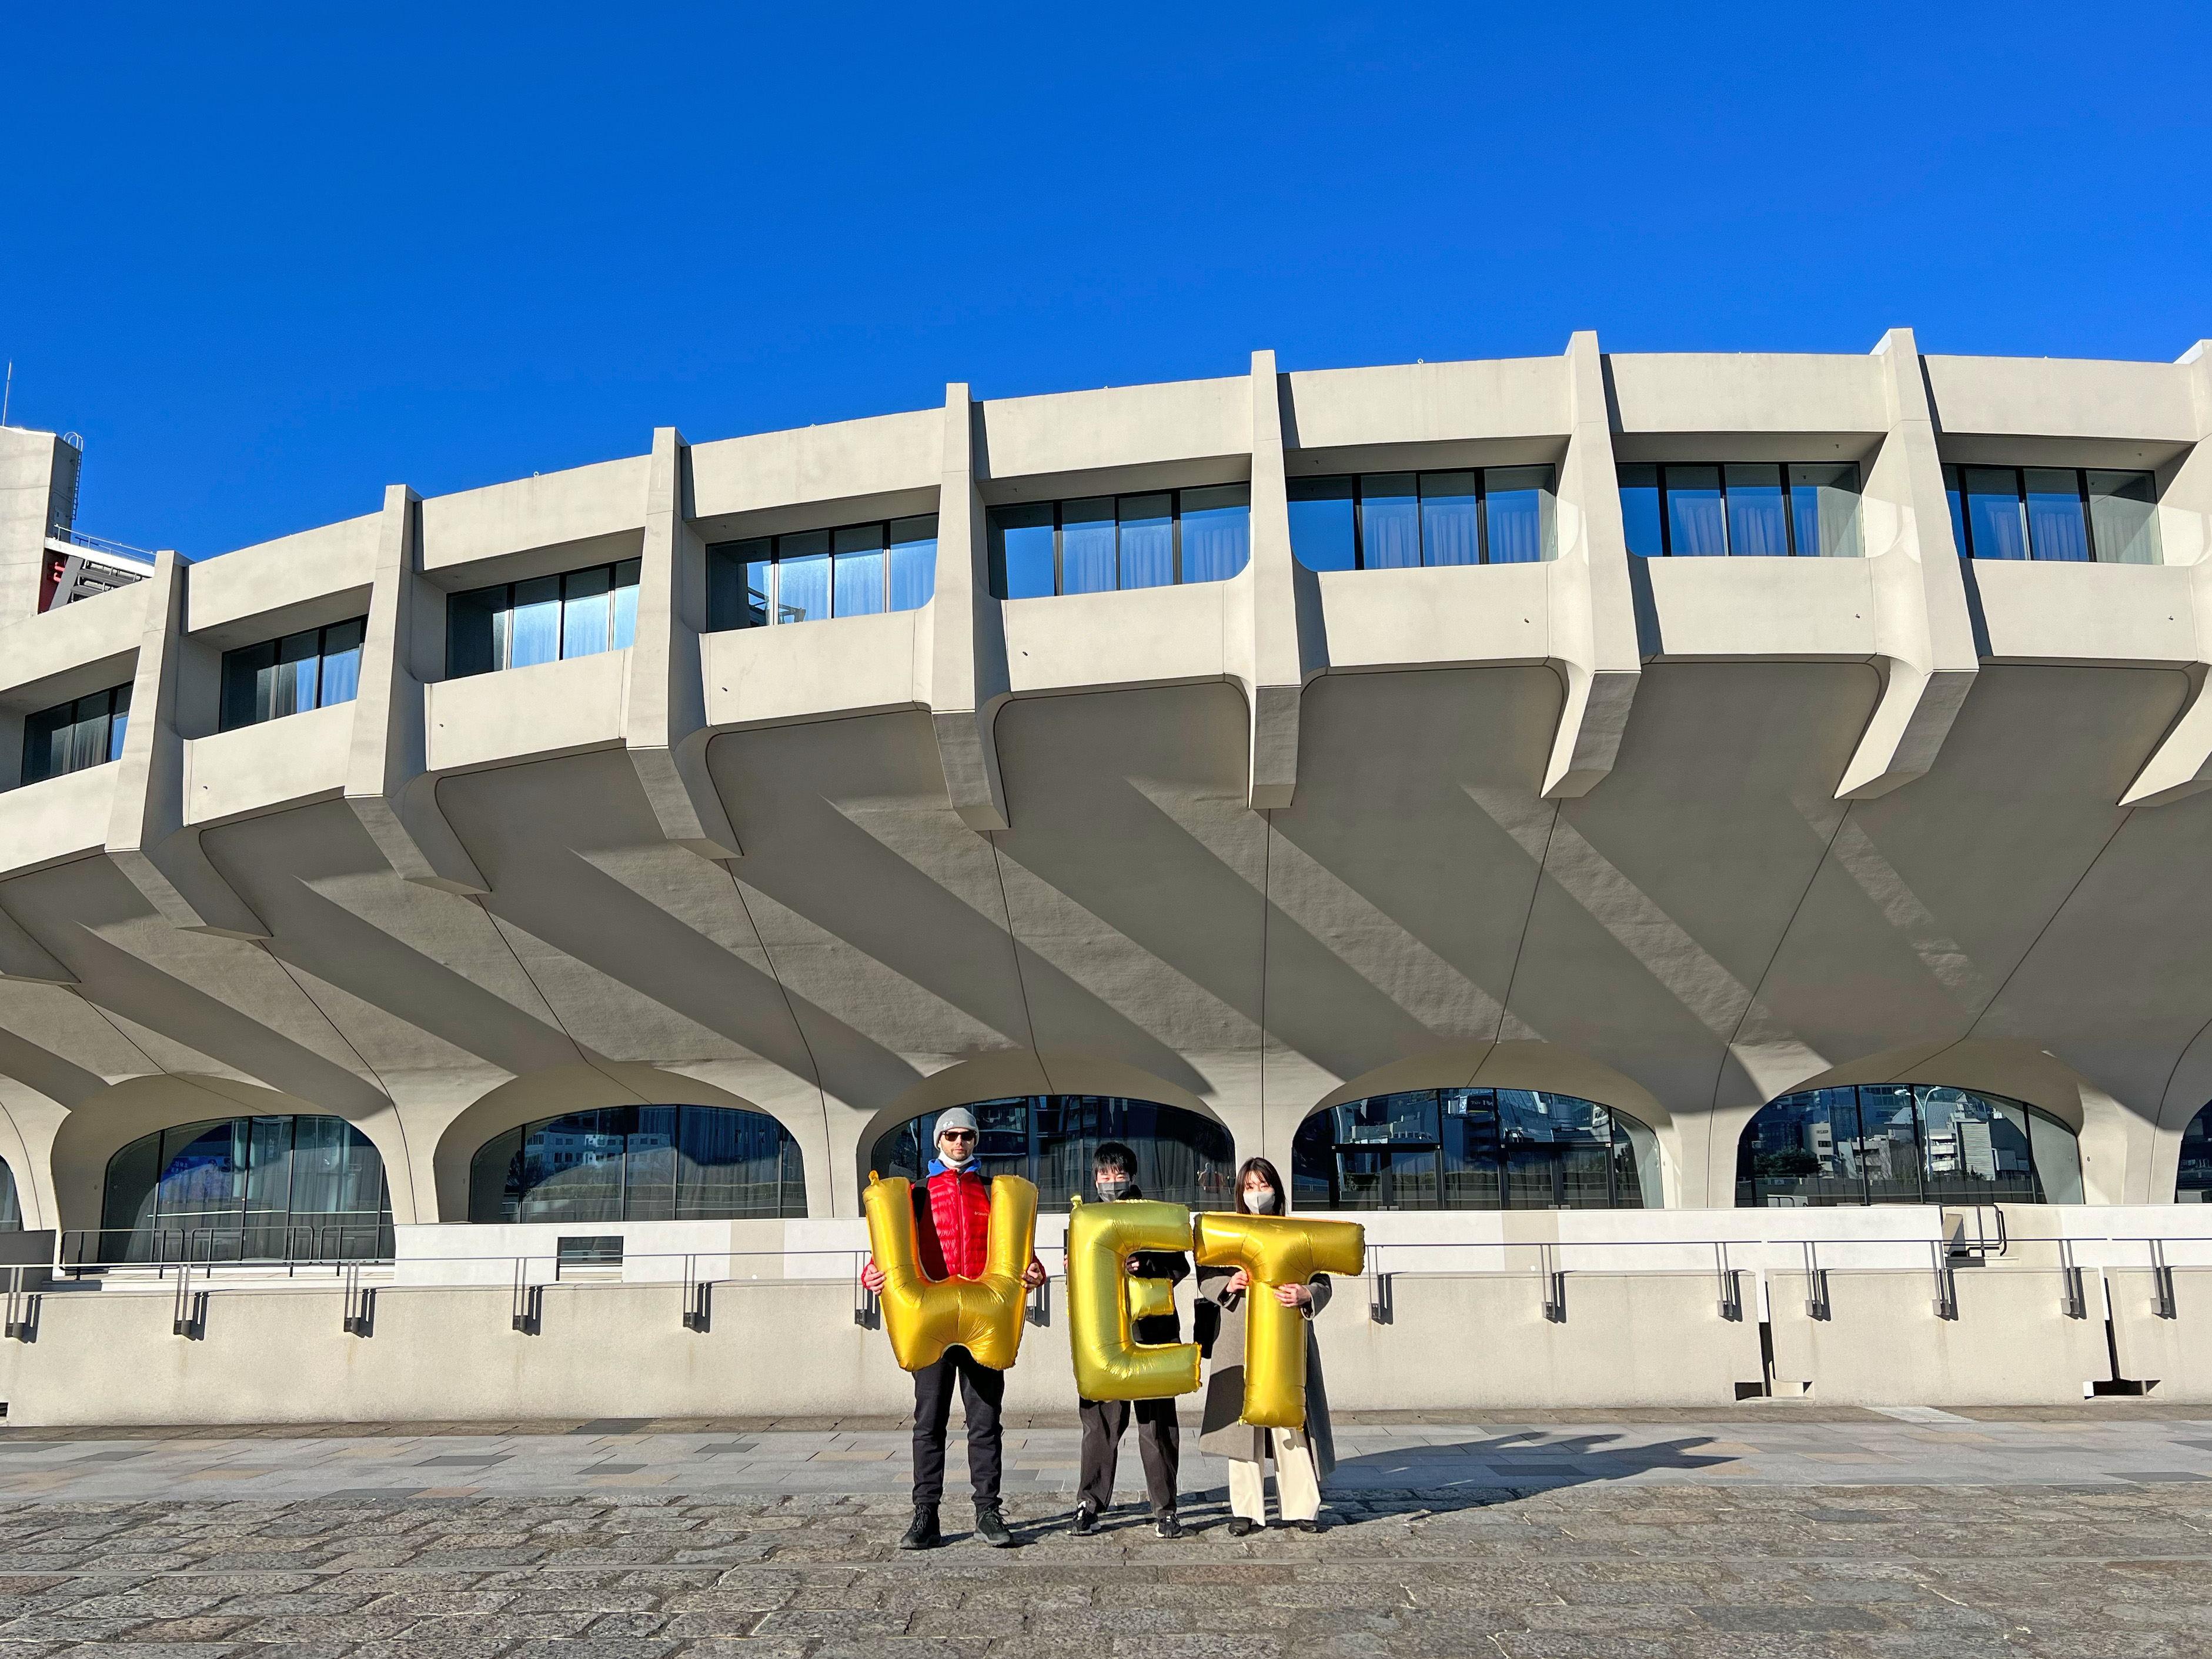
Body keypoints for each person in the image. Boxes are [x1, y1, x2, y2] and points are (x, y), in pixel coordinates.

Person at [861, 1107, 1047, 1551]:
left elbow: (1019, 1251)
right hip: (933, 1318)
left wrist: (1034, 1269)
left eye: (966, 1136)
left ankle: (988, 1510)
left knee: (986, 1421)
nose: (959, 1143)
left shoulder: (993, 1192)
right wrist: (873, 1272)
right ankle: (926, 1512)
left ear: (975, 1141)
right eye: (951, 1136)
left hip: (983, 1318)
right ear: (938, 1141)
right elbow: (894, 1247)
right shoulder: (918, 1194)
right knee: (929, 1421)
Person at [1194, 1156, 1336, 1535]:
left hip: (1287, 1340)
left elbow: (1323, 1281)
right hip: (1237, 1339)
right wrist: (1228, 1284)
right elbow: (1204, 1275)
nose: (1258, 1194)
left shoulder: (1296, 1231)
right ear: (1240, 1192)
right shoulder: (1228, 1232)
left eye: (1264, 1185)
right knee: (1243, 1424)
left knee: (1291, 1421)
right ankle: (1246, 1510)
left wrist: (1308, 1293)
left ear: (1278, 1190)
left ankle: (1302, 1507)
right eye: (1250, 1187)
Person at [1071, 1141, 1189, 1539]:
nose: (1111, 1181)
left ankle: (1166, 1508)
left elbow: (1180, 1264)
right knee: (1099, 1425)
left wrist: (1146, 1263)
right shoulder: (1085, 1219)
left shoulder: (1152, 1214)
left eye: (1118, 1173)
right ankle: (1089, 1503)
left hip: (1152, 1335)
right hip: (1104, 1339)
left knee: (1157, 1426)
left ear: (1132, 1176)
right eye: (1103, 1174)